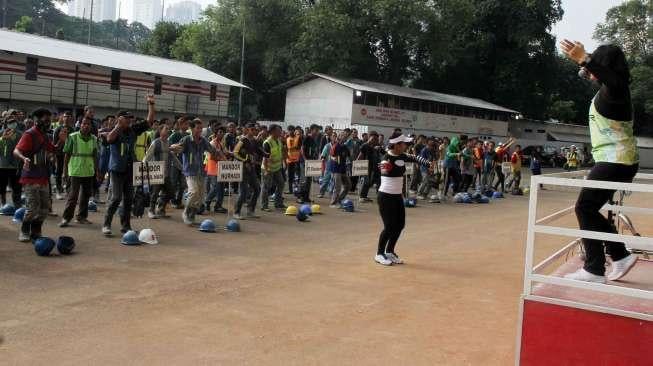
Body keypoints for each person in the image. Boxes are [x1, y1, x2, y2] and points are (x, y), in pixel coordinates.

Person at [560, 40, 640, 283]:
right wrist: (587, 63)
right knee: (590, 209)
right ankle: (619, 255)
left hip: (614, 160)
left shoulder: (617, 90)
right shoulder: (609, 91)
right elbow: (606, 79)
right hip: (615, 160)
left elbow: (615, 81)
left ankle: (594, 269)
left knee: (584, 208)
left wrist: (586, 59)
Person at [375, 133, 432, 266]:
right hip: (385, 196)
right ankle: (379, 254)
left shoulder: (402, 155)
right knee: (389, 227)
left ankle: (389, 251)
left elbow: (415, 157)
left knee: (400, 225)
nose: (406, 146)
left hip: (397, 196)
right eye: (404, 144)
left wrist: (428, 163)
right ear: (396, 145)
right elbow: (383, 170)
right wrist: (385, 167)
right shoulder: (386, 158)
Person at [101, 95, 155, 236]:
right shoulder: (113, 131)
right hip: (117, 170)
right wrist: (118, 126)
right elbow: (109, 139)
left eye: (130, 118)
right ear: (119, 119)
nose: (130, 120)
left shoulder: (133, 130)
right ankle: (106, 224)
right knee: (116, 197)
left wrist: (151, 104)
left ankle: (126, 226)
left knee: (128, 199)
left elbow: (149, 121)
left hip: (131, 169)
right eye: (127, 118)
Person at [14, 108, 66, 242]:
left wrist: (61, 140)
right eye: (46, 120)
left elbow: (53, 149)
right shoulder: (29, 134)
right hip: (30, 177)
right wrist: (24, 158)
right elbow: (16, 150)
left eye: (49, 120)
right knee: (32, 208)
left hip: (43, 177)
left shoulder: (44, 135)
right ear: (37, 120)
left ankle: (36, 231)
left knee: (44, 209)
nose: (48, 123)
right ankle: (24, 230)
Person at [172, 118, 218, 225]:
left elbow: (212, 150)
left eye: (201, 128)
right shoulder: (186, 139)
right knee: (193, 192)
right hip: (190, 172)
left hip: (201, 172)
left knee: (201, 197)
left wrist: (222, 155)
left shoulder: (203, 141)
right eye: (198, 128)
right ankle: (186, 212)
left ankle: (192, 215)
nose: (200, 130)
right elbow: (178, 148)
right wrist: (174, 148)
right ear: (192, 129)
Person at [59, 117, 99, 227]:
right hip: (75, 171)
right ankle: (66, 218)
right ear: (80, 124)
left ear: (91, 126)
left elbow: (95, 155)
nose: (86, 126)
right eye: (84, 124)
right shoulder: (73, 137)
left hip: (88, 171)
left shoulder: (94, 139)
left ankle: (81, 217)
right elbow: (66, 156)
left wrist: (97, 170)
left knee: (86, 195)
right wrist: (64, 172)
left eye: (88, 124)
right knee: (73, 196)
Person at [143, 124, 182, 219]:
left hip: (166, 173)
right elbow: (148, 156)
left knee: (171, 192)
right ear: (160, 131)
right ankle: (151, 211)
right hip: (156, 173)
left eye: (169, 129)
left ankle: (160, 208)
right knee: (154, 193)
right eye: (166, 129)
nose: (168, 131)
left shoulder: (169, 143)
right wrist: (143, 167)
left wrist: (181, 167)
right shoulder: (155, 143)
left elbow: (173, 157)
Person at [232, 123, 261, 219]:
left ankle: (250, 210)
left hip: (251, 168)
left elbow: (257, 151)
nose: (254, 131)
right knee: (243, 192)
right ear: (247, 130)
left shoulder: (255, 140)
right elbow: (235, 153)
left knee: (257, 188)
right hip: (243, 169)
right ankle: (236, 212)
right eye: (252, 129)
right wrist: (245, 161)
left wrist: (265, 155)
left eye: (255, 129)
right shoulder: (242, 140)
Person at [260, 124, 286, 211]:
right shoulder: (267, 143)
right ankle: (264, 206)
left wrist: (283, 162)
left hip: (277, 167)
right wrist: (266, 170)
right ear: (273, 132)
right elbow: (265, 158)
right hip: (268, 168)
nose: (280, 132)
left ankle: (278, 203)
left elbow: (281, 152)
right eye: (278, 131)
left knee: (281, 183)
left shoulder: (278, 140)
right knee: (266, 186)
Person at [204, 126, 228, 214]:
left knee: (221, 188)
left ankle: (218, 206)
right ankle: (207, 202)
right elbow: (212, 156)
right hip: (212, 168)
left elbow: (225, 153)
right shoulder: (212, 143)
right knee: (215, 188)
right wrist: (222, 159)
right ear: (216, 133)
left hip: (220, 168)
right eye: (220, 132)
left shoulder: (220, 144)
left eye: (223, 133)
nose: (222, 134)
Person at [0, 118, 22, 207]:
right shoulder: (1, 133)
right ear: (6, 124)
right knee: (2, 186)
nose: (11, 124)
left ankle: (17, 204)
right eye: (9, 123)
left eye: (13, 122)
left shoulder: (20, 134)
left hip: (16, 165)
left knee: (16, 186)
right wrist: (3, 138)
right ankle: (3, 203)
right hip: (3, 165)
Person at [52, 110, 74, 200]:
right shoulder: (58, 129)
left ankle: (68, 190)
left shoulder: (73, 130)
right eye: (65, 116)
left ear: (71, 118)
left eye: (69, 116)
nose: (67, 118)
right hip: (59, 154)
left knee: (70, 173)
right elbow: (54, 143)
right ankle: (58, 190)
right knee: (59, 171)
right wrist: (61, 139)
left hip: (70, 154)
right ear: (62, 118)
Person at [298, 124, 320, 204]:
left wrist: (315, 159)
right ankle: (300, 197)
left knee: (309, 180)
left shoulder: (315, 139)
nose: (317, 132)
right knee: (303, 180)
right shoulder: (307, 137)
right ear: (311, 130)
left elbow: (314, 151)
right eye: (316, 130)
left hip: (311, 162)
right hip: (305, 162)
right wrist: (305, 159)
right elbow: (302, 149)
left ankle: (306, 197)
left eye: (318, 130)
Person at [329, 131, 351, 207]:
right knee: (337, 187)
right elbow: (331, 156)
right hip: (336, 169)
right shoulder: (335, 146)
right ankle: (333, 203)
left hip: (343, 169)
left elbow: (348, 157)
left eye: (346, 136)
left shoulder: (345, 147)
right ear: (339, 137)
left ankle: (339, 199)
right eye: (343, 136)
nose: (345, 137)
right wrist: (335, 159)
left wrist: (349, 162)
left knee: (348, 185)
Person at [358, 131, 381, 203]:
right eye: (373, 139)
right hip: (366, 167)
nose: (375, 141)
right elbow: (360, 157)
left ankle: (365, 196)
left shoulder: (375, 147)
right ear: (369, 137)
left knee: (373, 182)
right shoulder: (365, 146)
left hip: (374, 167)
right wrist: (358, 166)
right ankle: (362, 197)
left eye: (376, 139)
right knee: (366, 182)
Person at [286, 127, 302, 195]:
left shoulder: (298, 138)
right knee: (290, 176)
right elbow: (286, 149)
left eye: (292, 130)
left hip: (296, 160)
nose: (290, 132)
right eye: (289, 130)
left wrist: (298, 134)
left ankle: (296, 190)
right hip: (289, 160)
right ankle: (290, 190)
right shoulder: (287, 139)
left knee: (296, 176)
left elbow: (299, 146)